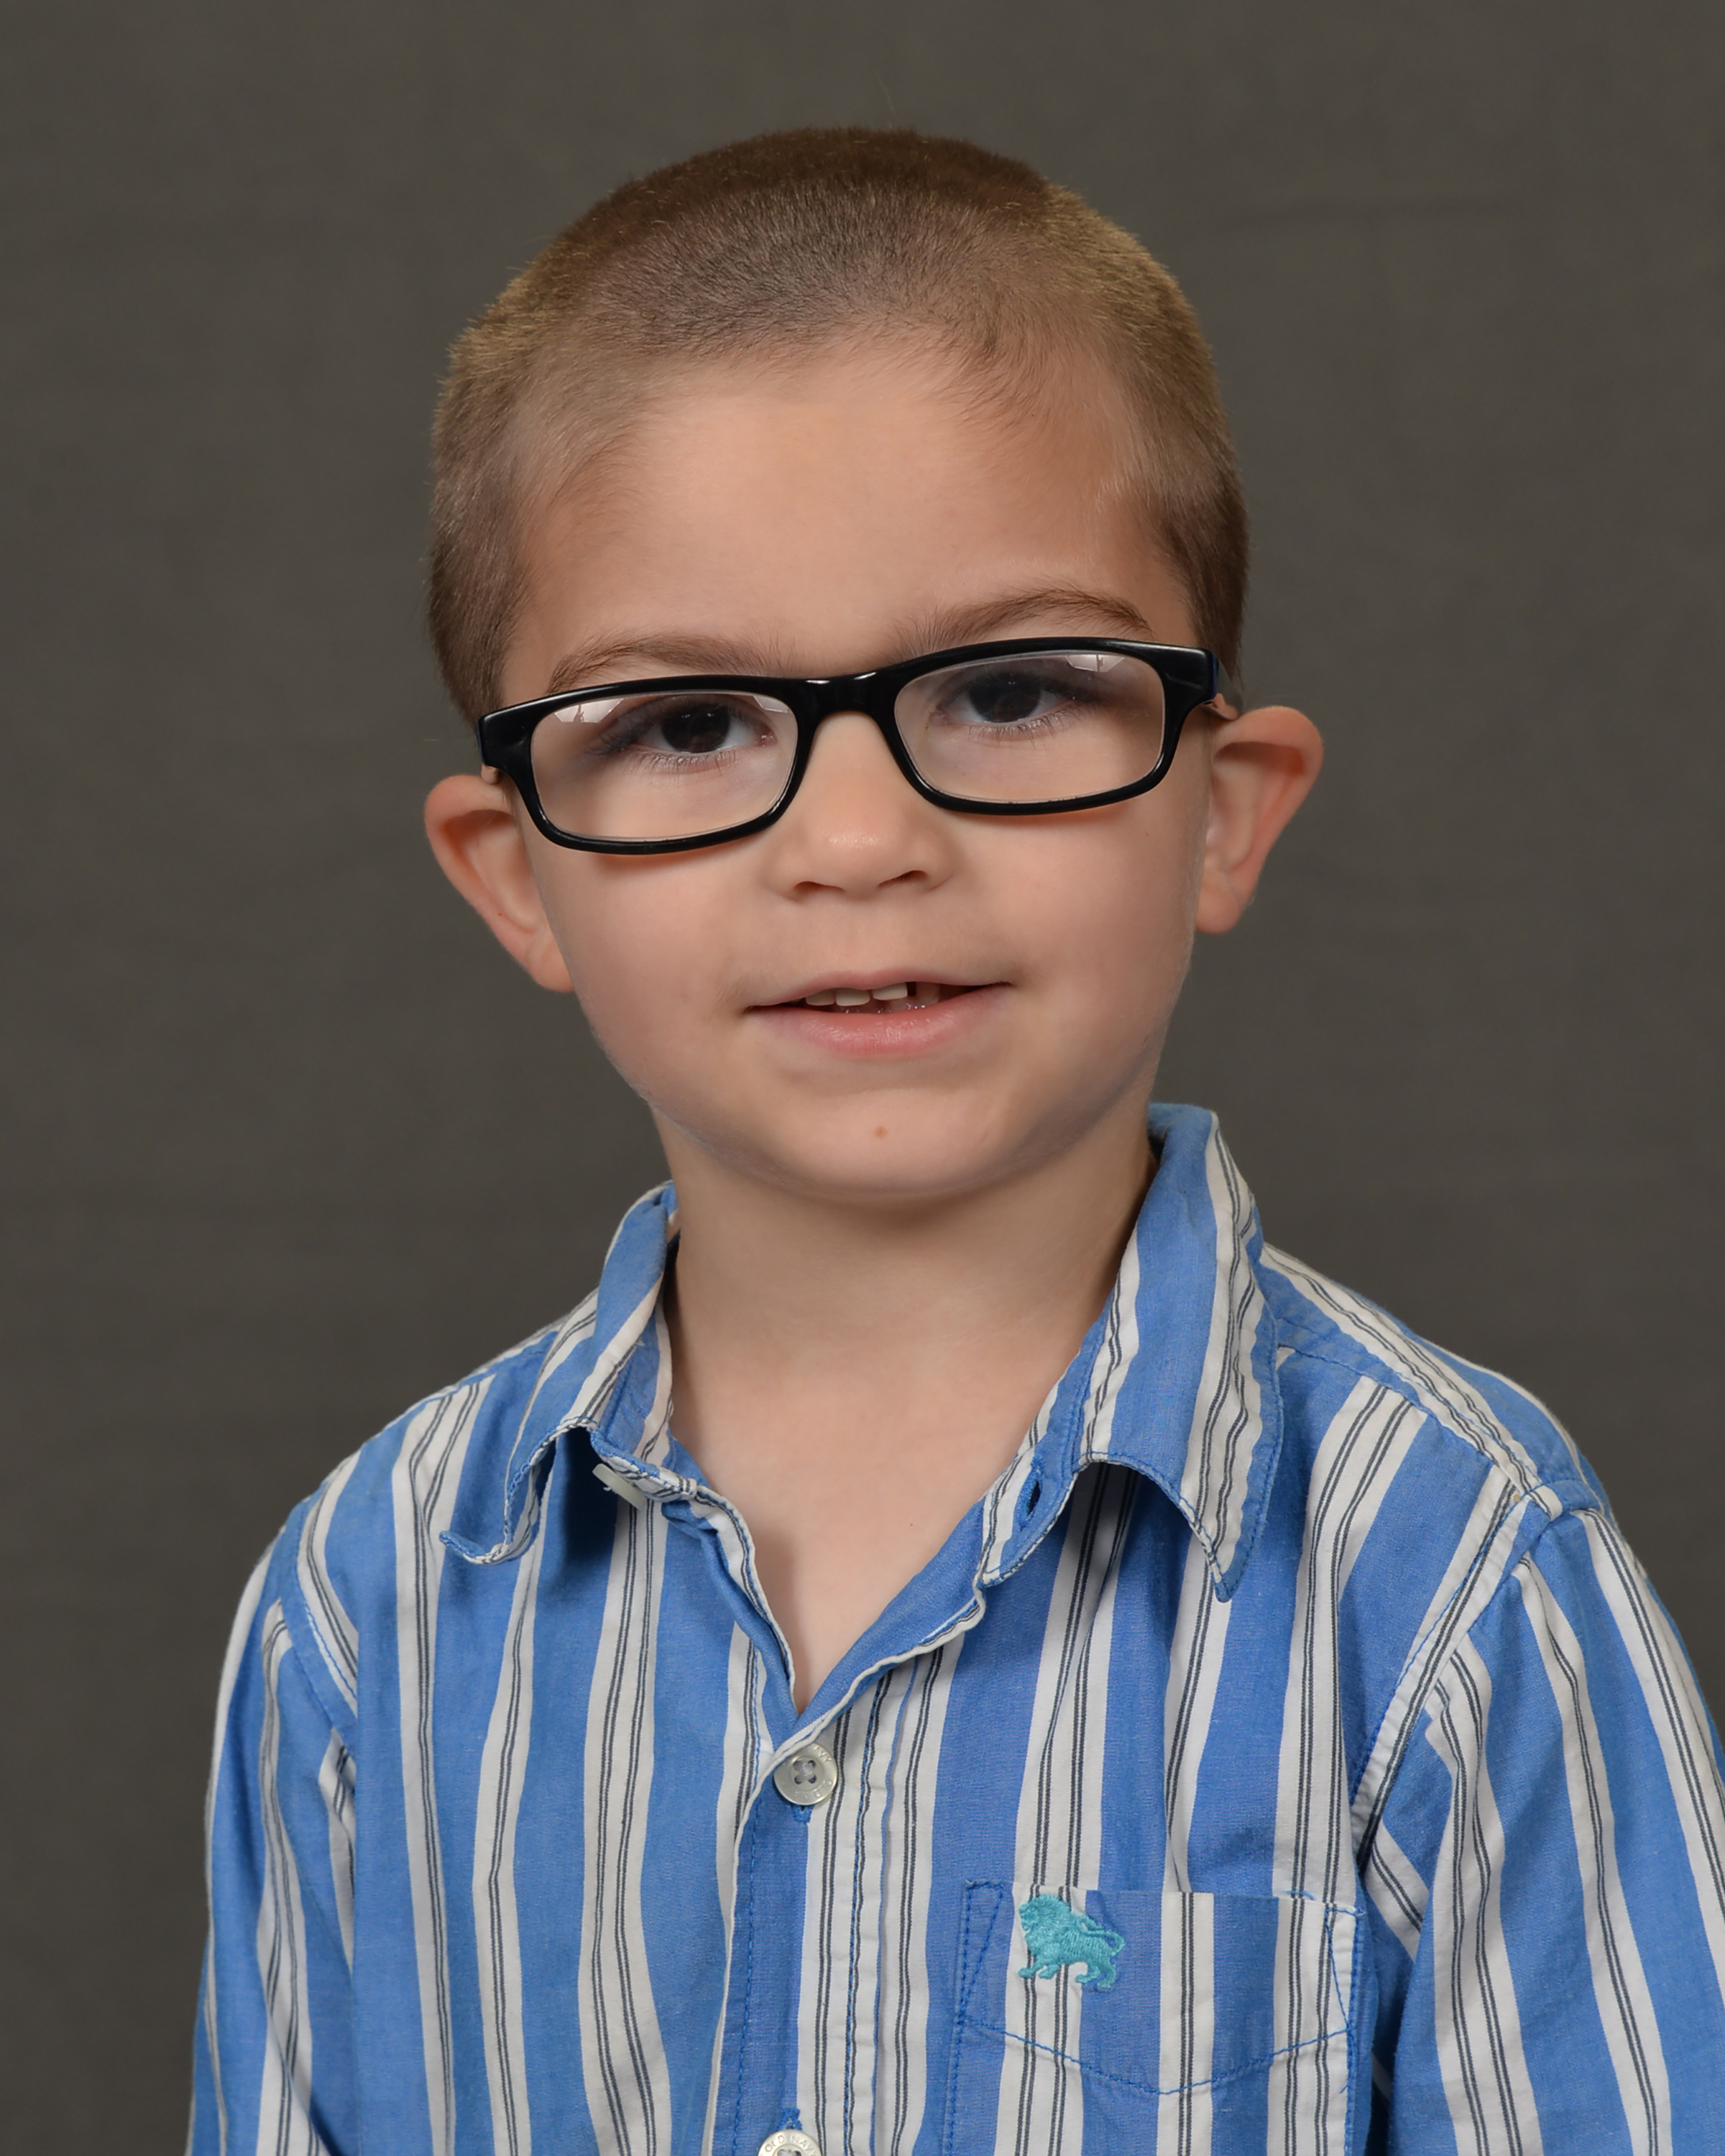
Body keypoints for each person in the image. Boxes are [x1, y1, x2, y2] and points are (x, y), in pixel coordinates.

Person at [188, 130, 1725, 2156]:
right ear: (516, 873)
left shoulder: (1457, 1584)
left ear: (1225, 810)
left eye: (1008, 692)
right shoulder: (366, 1604)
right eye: (687, 725)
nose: (858, 841)